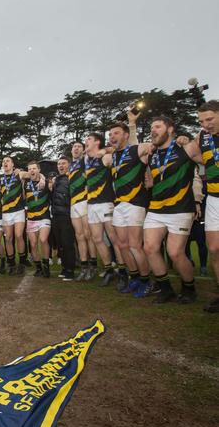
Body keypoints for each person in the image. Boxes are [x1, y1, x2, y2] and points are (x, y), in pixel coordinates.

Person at [143, 116, 202, 303]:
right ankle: (166, 289)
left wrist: (190, 139)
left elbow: (208, 159)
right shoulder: (152, 154)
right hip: (156, 208)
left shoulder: (185, 147)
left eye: (158, 126)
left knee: (175, 253)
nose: (153, 130)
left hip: (181, 208)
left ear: (170, 129)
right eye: (151, 127)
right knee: (150, 248)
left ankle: (189, 288)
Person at [178, 100, 219, 310]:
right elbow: (190, 153)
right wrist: (184, 140)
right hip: (213, 197)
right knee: (213, 248)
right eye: (202, 121)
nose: (206, 124)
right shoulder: (203, 136)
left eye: (210, 119)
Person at [105, 120, 151, 295]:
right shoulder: (113, 156)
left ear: (126, 135)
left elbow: (150, 146)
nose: (112, 137)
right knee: (122, 245)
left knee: (134, 245)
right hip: (119, 205)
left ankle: (146, 281)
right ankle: (135, 278)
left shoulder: (135, 150)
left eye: (116, 133)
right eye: (110, 134)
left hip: (135, 203)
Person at [84, 132, 126, 287]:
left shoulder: (105, 157)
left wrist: (106, 150)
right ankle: (109, 270)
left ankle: (122, 272)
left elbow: (117, 151)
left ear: (97, 142)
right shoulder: (87, 159)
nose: (86, 141)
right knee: (97, 239)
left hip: (106, 202)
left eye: (89, 139)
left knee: (114, 238)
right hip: (92, 204)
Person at [68, 141, 97, 280]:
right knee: (79, 236)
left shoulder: (86, 161)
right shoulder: (70, 166)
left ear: (83, 150)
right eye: (74, 147)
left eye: (79, 146)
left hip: (85, 201)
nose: (76, 148)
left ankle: (93, 265)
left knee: (88, 234)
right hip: (73, 204)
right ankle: (84, 266)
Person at [50, 157, 76, 280]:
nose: (61, 166)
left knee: (67, 243)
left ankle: (70, 270)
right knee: (60, 244)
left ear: (69, 165)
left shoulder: (72, 177)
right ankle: (65, 268)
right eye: (59, 164)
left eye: (63, 163)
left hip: (66, 214)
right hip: (55, 215)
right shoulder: (56, 180)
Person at [0, 156, 27, 275]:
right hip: (6, 212)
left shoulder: (19, 174)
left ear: (12, 164)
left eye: (8, 161)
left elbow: (32, 173)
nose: (5, 163)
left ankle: (21, 263)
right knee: (8, 238)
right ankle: (11, 264)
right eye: (3, 161)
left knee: (19, 235)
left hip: (19, 211)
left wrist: (41, 178)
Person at [24, 161, 51, 278]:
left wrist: (44, 179)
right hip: (31, 218)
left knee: (43, 240)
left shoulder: (45, 182)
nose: (32, 171)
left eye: (34, 168)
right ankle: (39, 268)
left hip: (44, 216)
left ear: (39, 170)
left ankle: (46, 266)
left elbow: (51, 185)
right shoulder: (25, 183)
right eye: (30, 169)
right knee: (33, 245)